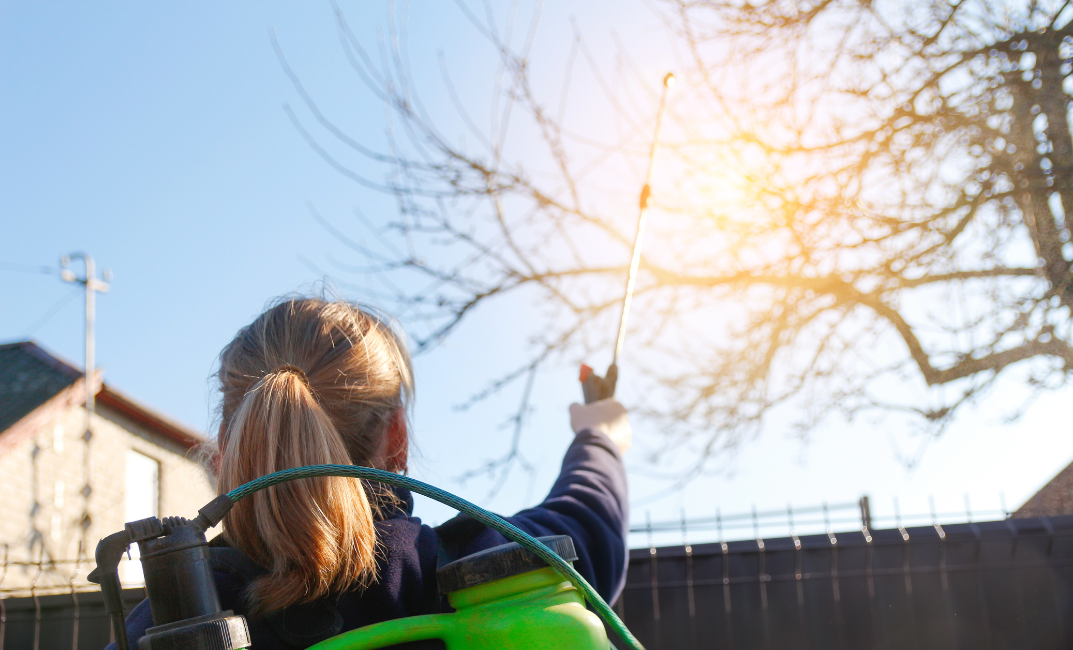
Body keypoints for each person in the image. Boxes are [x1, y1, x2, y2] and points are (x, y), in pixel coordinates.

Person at [110, 296, 631, 650]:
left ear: (227, 448)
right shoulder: (491, 575)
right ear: (397, 438)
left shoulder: (158, 630)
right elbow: (589, 515)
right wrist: (600, 431)